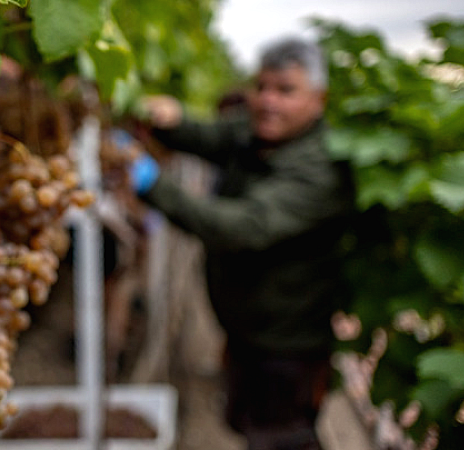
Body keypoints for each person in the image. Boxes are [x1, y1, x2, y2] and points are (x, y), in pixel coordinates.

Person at [129, 37, 354, 450]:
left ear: (318, 99)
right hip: (248, 330)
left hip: (286, 346)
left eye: (285, 90)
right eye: (261, 86)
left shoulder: (321, 167)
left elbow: (241, 227)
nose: (268, 100)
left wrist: (154, 186)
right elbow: (211, 136)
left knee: (281, 437)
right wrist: (171, 123)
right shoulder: (259, 131)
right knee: (250, 427)